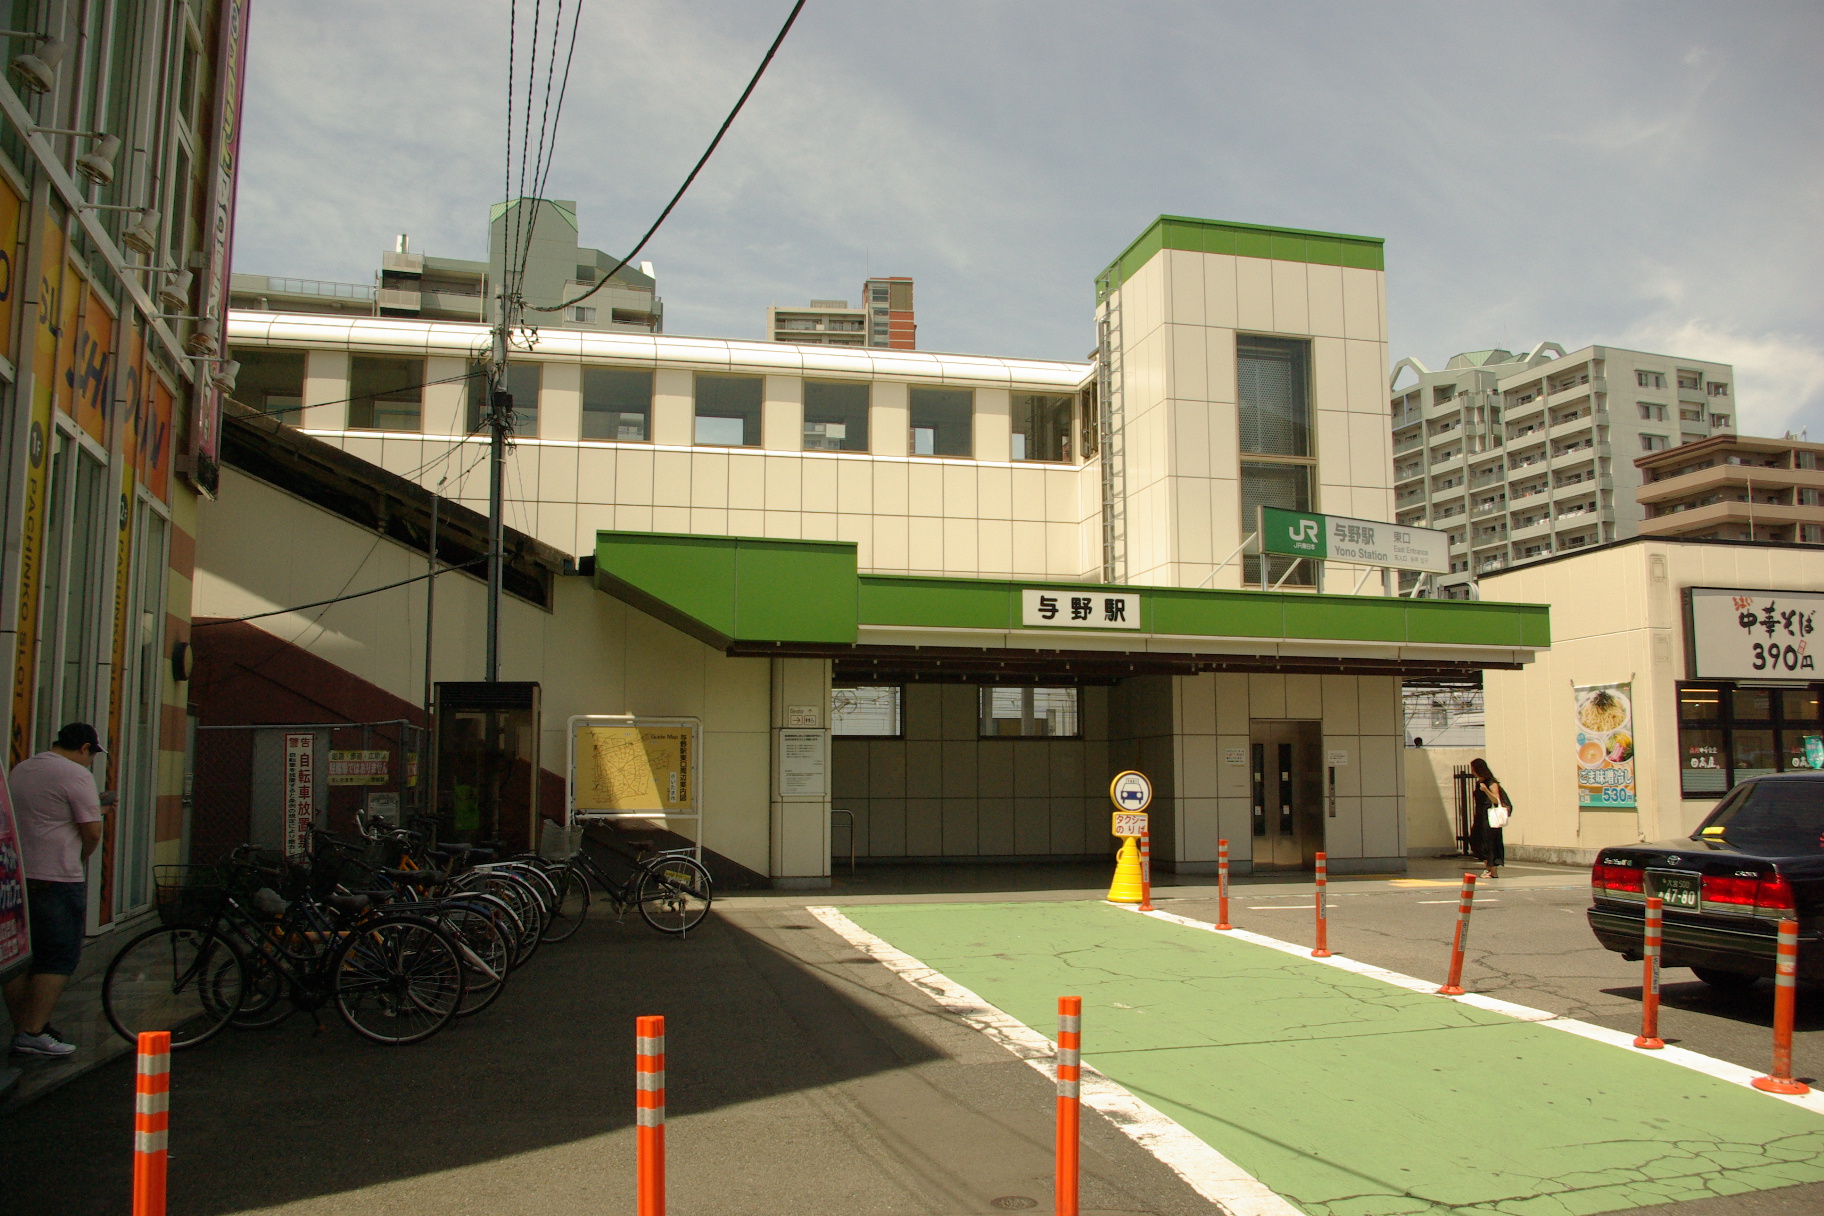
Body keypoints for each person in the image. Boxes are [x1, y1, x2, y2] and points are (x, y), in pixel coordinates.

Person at [5, 723, 112, 1058]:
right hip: (59, 876)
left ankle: (25, 1024)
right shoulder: (77, 775)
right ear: (84, 748)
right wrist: (84, 853)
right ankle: (32, 1031)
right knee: (59, 955)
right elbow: (91, 832)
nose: (91, 760)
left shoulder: (22, 769)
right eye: (93, 754)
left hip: (19, 875)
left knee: (20, 956)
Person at [1469, 757, 1507, 880]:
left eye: (1474, 769)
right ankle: (1488, 868)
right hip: (1480, 815)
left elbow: (1496, 800)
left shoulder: (1491, 783)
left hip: (1489, 816)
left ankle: (1492, 871)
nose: (1472, 772)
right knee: (1476, 842)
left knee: (1490, 843)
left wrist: (1486, 790)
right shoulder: (1478, 783)